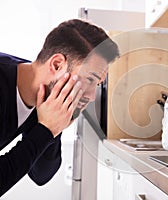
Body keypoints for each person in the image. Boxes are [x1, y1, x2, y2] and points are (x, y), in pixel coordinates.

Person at [0, 19, 119, 196]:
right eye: (90, 80)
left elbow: (41, 175)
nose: (92, 96)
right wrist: (46, 129)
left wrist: (54, 127)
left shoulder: (43, 97)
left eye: (97, 84)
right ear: (57, 65)